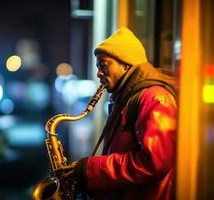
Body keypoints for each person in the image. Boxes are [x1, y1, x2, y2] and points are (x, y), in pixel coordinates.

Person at [61, 27, 178, 199]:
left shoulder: (153, 97)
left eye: (103, 65)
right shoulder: (127, 97)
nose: (98, 73)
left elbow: (154, 163)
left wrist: (90, 169)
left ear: (125, 64)